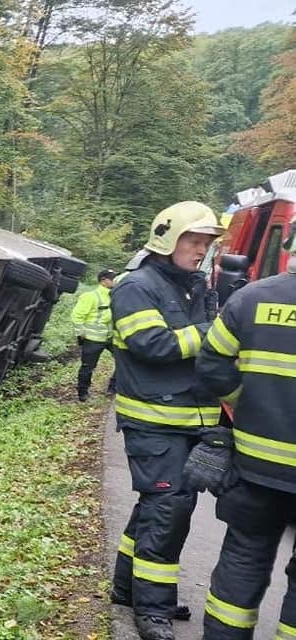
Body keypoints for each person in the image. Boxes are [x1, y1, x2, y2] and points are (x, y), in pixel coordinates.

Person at [108, 201, 226, 640]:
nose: (202, 251)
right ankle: (153, 610)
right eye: (194, 241)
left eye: (207, 243)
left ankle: (127, 589)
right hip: (153, 421)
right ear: (167, 239)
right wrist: (217, 331)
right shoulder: (136, 286)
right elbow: (151, 344)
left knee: (156, 506)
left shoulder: (195, 286)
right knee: (168, 509)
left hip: (186, 421)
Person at [193, 229, 296, 639]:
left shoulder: (252, 298)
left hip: (255, 467)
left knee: (243, 559)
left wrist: (247, 404)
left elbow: (211, 364)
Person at [73, 268, 118, 400]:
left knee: (124, 361)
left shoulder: (115, 295)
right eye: (112, 278)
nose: (115, 281)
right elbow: (77, 316)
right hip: (93, 339)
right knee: (88, 367)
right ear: (103, 281)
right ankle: (83, 393)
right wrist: (80, 334)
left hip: (110, 337)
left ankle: (113, 387)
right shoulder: (90, 296)